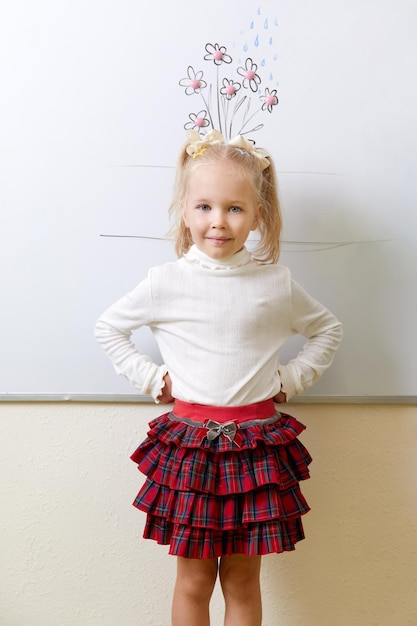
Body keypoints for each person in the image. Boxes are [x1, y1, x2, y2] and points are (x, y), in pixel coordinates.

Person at [94, 130, 343, 626]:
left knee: (242, 581)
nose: (218, 222)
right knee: (193, 580)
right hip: (190, 448)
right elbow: (109, 328)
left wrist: (290, 379)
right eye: (204, 207)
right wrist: (152, 378)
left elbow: (326, 329)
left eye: (234, 209)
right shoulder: (165, 282)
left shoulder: (275, 283)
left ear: (257, 215)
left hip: (256, 447)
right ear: (185, 210)